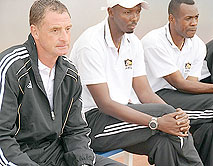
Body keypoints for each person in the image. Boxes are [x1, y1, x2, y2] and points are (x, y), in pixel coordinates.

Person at [70, 0, 203, 165]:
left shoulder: (133, 43)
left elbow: (145, 93)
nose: (134, 18)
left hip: (121, 114)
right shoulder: (90, 44)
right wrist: (157, 122)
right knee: (169, 121)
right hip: (92, 123)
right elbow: (104, 104)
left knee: (164, 143)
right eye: (127, 12)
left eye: (138, 11)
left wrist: (173, 114)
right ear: (111, 11)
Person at [0, 0, 125, 165]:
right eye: (55, 30)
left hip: (56, 154)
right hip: (20, 157)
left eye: (67, 29)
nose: (64, 38)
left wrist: (83, 162)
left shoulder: (69, 73)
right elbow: (2, 137)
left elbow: (76, 131)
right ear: (35, 32)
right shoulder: (12, 67)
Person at [142, 0, 213, 165]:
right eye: (188, 18)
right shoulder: (154, 41)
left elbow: (191, 86)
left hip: (179, 97)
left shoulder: (197, 44)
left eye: (196, 17)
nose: (194, 23)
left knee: (211, 129)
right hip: (153, 100)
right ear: (172, 18)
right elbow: (179, 83)